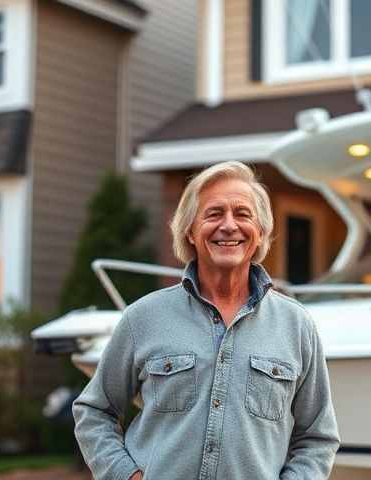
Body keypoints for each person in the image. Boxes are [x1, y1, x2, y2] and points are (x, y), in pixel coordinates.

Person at [72, 161, 340, 479]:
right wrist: (125, 475)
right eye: (214, 214)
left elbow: (317, 438)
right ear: (190, 231)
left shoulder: (296, 325)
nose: (229, 226)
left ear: (261, 232)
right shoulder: (142, 318)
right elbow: (93, 411)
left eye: (242, 214)